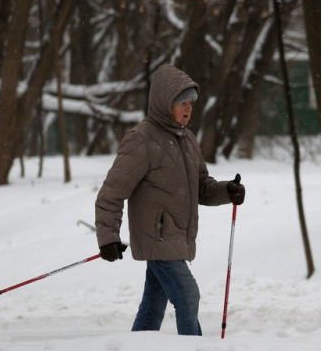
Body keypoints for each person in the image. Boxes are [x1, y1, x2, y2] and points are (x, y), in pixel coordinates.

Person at [95, 64, 245, 335]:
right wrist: (108, 237)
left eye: (190, 103)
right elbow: (112, 191)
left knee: (153, 306)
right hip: (158, 237)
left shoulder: (188, 140)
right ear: (166, 104)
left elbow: (200, 186)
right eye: (181, 103)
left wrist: (227, 191)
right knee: (188, 296)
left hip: (176, 239)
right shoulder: (142, 140)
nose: (188, 109)